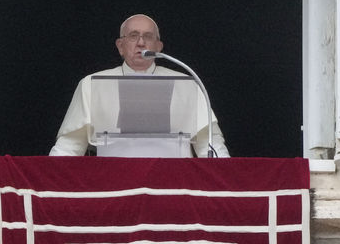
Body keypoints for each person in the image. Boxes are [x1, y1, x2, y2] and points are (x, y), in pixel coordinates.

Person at [49, 14, 230, 157]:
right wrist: (48, 179)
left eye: (148, 36)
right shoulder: (91, 84)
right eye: (133, 36)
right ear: (120, 45)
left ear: (158, 47)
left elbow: (209, 142)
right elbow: (70, 145)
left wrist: (225, 180)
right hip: (115, 181)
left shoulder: (187, 84)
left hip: (173, 182)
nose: (141, 42)